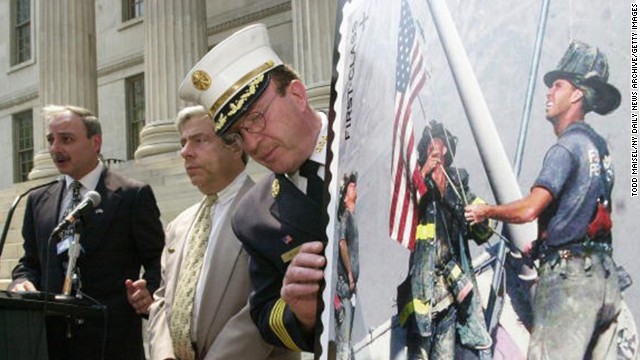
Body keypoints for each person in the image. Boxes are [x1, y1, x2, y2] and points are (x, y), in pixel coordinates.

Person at [464, 40, 622, 359]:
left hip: (569, 283)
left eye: (558, 85)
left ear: (577, 93)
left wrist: (487, 211)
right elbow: (582, 213)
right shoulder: (601, 150)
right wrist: (542, 244)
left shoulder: (566, 148)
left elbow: (529, 209)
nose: (549, 92)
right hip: (605, 282)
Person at [178, 23, 327, 353]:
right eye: (237, 136)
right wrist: (301, 315)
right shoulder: (253, 216)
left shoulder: (374, 133)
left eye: (256, 119)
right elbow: (266, 314)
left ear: (298, 95)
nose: (252, 144)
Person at [134, 105, 297, 360]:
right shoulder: (178, 225)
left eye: (199, 140)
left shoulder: (274, 213)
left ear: (235, 146)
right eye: (183, 142)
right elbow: (162, 301)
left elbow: (269, 304)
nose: (185, 152)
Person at [9, 105, 165, 360]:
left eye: (66, 139)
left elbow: (158, 260)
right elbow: (30, 263)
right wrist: (20, 282)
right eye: (51, 139)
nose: (55, 148)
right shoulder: (37, 200)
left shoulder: (131, 195)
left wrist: (148, 291)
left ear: (95, 142)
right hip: (51, 343)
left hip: (110, 342)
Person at [398, 120, 492, 360]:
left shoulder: (458, 186)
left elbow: (483, 229)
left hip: (450, 291)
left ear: (446, 149)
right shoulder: (416, 183)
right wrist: (422, 175)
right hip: (421, 292)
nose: (432, 146)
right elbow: (404, 214)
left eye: (436, 140)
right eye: (427, 143)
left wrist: (483, 215)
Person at [334, 172, 359, 360]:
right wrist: (350, 273)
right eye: (351, 186)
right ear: (344, 197)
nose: (355, 188)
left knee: (348, 337)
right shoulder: (346, 217)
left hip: (350, 289)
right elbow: (342, 243)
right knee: (343, 339)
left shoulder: (351, 217)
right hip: (345, 287)